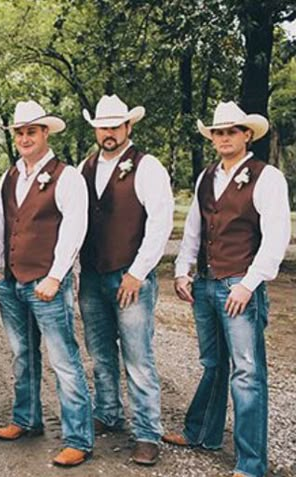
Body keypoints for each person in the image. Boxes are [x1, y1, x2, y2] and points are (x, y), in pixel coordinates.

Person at [164, 101, 291, 477]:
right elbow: (194, 231)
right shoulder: (206, 177)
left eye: (231, 131)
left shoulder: (266, 177)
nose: (223, 138)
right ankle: (202, 432)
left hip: (240, 284)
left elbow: (276, 238)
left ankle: (251, 464)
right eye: (218, 132)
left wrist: (249, 284)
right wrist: (183, 271)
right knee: (213, 364)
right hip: (204, 283)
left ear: (246, 135)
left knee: (248, 373)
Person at [0, 100, 94, 467]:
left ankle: (78, 437)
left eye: (32, 131)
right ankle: (25, 419)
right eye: (20, 132)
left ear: (46, 132)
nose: (25, 137)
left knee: (63, 359)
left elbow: (74, 229)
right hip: (12, 282)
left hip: (47, 282)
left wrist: (56, 275)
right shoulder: (8, 175)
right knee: (21, 354)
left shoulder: (67, 176)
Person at [77, 94, 174, 465]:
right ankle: (108, 413)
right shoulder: (85, 167)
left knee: (138, 357)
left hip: (130, 275)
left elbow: (160, 223)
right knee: (100, 353)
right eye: (103, 127)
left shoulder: (147, 166)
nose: (108, 133)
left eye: (115, 126)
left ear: (128, 127)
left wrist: (138, 271)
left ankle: (147, 433)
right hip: (91, 276)